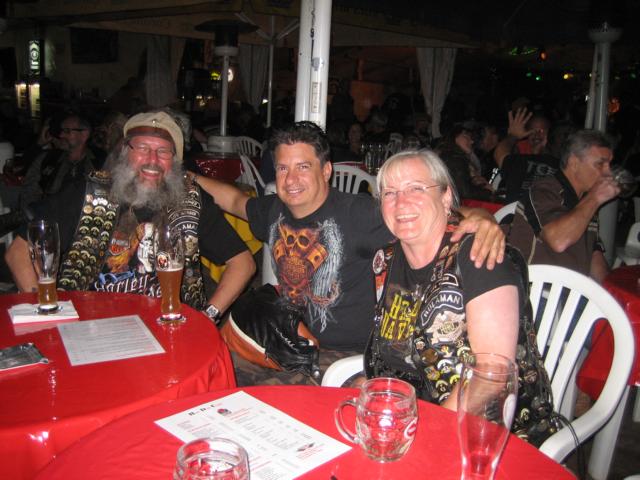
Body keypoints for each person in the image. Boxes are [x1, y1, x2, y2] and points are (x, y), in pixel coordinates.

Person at [193, 121, 506, 385]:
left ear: (326, 170)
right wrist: (189, 178)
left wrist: (482, 218)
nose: (291, 179)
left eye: (303, 167)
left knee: (265, 400)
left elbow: (424, 213)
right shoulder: (273, 210)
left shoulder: (358, 214)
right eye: (283, 168)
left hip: (342, 355)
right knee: (214, 372)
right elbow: (234, 201)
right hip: (285, 338)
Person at [364, 150, 555, 445]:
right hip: (405, 416)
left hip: (484, 431)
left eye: (416, 188)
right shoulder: (386, 259)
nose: (401, 203)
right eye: (390, 193)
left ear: (446, 197)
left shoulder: (478, 254)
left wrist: (425, 432)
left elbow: (492, 373)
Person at [5, 110, 255, 320]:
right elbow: (18, 251)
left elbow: (243, 263)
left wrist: (208, 316)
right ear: (125, 151)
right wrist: (44, 310)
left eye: (163, 151)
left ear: (175, 161)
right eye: (142, 148)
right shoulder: (86, 193)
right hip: (89, 322)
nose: (152, 160)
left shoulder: (190, 202)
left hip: (169, 324)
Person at [507, 129, 618, 283]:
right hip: (535, 290)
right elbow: (558, 241)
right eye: (600, 164)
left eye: (609, 165)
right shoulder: (543, 190)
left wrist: (613, 291)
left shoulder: (586, 201)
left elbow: (594, 258)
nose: (608, 173)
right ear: (574, 163)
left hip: (573, 292)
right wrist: (595, 198)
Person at [0, 112, 104, 210]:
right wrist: (38, 144)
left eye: (67, 131)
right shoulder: (48, 159)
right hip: (49, 217)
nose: (61, 135)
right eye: (61, 131)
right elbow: (28, 191)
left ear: (84, 134)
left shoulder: (99, 161)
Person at [494, 108, 558, 203]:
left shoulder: (561, 162)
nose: (536, 135)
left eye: (541, 131)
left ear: (550, 134)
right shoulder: (518, 153)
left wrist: (513, 135)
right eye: (532, 131)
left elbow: (500, 152)